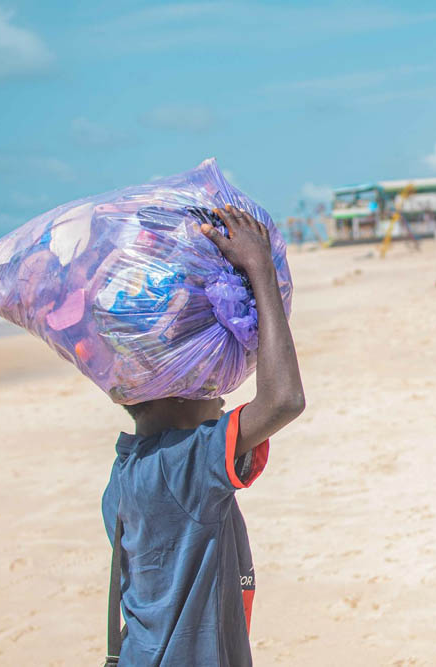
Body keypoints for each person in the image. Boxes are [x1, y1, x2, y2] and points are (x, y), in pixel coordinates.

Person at [101, 204, 305, 666]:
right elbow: (284, 400)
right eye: (212, 384)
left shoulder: (126, 472)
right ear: (179, 388)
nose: (220, 397)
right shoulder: (186, 466)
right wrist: (260, 271)